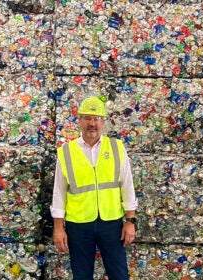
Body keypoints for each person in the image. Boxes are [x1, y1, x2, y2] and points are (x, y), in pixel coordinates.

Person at [50, 96, 138, 280]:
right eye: (88, 118)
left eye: (97, 118)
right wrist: (58, 228)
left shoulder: (116, 148)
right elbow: (58, 194)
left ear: (103, 122)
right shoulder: (66, 152)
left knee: (119, 275)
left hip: (111, 223)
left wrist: (131, 221)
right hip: (79, 225)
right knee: (81, 276)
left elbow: (127, 185)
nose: (92, 123)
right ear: (79, 120)